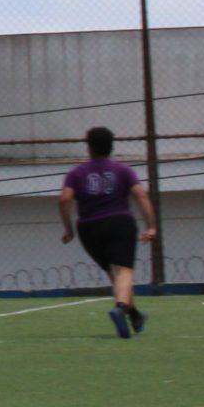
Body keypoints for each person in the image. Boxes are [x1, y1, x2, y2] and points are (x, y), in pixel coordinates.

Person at [58, 126, 161, 339]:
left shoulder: (76, 173)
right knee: (124, 271)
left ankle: (135, 315)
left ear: (89, 147)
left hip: (88, 229)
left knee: (115, 274)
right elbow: (141, 196)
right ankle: (120, 308)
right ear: (111, 146)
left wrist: (68, 229)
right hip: (119, 223)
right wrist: (151, 226)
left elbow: (65, 199)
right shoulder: (123, 170)